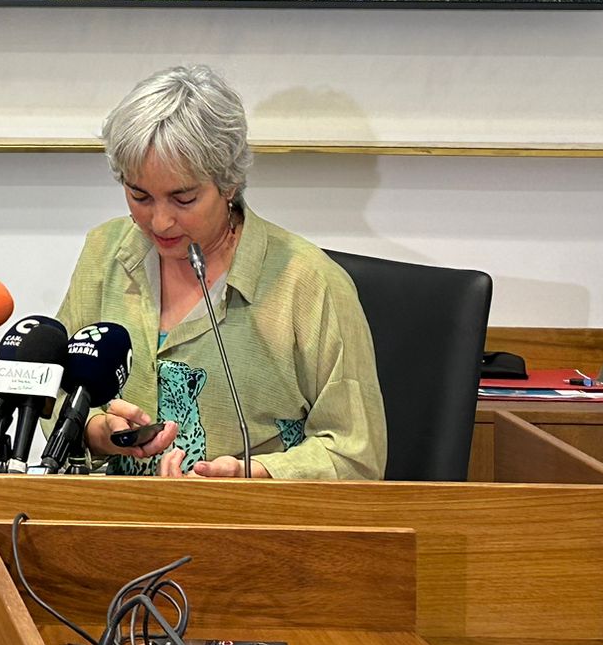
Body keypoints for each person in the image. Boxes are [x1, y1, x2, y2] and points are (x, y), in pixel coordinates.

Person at [56, 64, 386, 480]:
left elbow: (356, 455)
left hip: (255, 531)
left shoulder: (312, 284)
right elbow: (53, 395)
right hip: (119, 525)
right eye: (139, 196)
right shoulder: (104, 254)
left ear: (228, 183)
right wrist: (94, 430)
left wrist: (257, 476)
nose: (159, 222)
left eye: (183, 198)